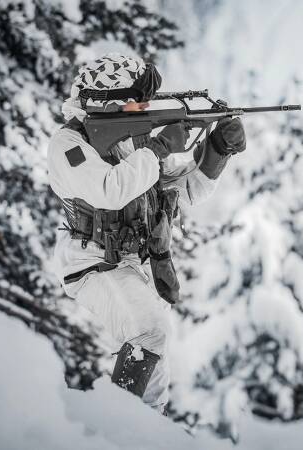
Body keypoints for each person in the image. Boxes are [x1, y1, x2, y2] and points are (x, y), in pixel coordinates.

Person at [46, 54, 246, 411]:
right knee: (149, 331)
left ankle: (148, 426)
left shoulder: (130, 143)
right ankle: (127, 425)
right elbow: (111, 189)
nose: (143, 107)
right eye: (136, 99)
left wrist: (217, 151)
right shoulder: (68, 145)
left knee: (155, 342)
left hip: (129, 264)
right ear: (109, 102)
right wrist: (157, 147)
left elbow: (185, 192)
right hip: (90, 265)